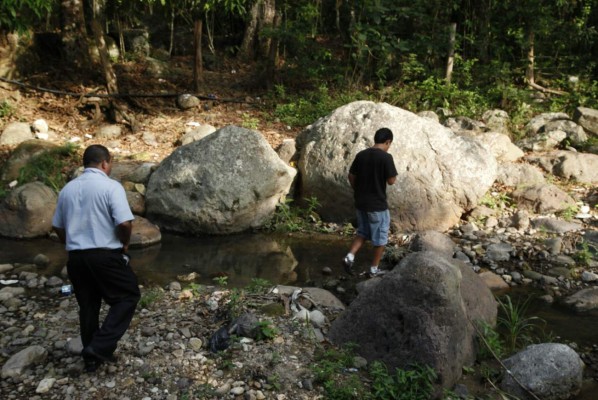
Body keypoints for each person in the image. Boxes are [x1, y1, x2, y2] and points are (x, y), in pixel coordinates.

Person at [52, 144, 140, 373]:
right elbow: (124, 222)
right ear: (105, 163)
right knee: (128, 295)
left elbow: (57, 226)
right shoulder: (111, 187)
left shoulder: (67, 190)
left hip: (76, 258)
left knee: (88, 305)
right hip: (104, 255)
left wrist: (69, 242)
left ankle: (92, 357)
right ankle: (100, 347)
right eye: (110, 163)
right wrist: (125, 242)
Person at [343, 127, 398, 276]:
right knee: (380, 238)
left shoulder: (361, 155)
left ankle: (350, 256)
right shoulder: (386, 158)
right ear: (388, 142)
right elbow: (391, 181)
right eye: (389, 144)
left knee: (363, 232)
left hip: (361, 203)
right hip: (377, 205)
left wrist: (358, 190)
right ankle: (374, 269)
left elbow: (351, 176)